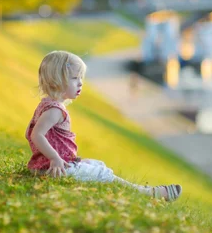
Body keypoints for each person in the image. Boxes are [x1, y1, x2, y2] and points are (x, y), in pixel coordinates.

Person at [25, 50, 183, 202]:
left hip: (53, 164)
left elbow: (33, 132)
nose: (80, 82)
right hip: (55, 169)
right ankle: (147, 193)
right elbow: (36, 134)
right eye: (74, 78)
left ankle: (145, 191)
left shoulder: (47, 104)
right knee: (102, 173)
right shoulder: (54, 110)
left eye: (81, 77)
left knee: (96, 164)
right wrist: (54, 158)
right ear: (56, 81)